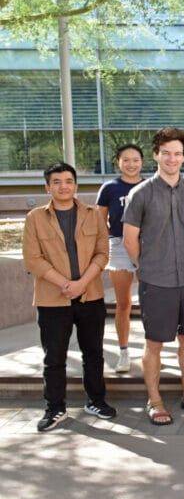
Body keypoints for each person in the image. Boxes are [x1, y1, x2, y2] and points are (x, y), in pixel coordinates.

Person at [123, 128, 184, 426]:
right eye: (166, 153)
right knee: (154, 343)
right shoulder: (141, 193)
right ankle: (155, 400)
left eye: (177, 153)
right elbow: (130, 239)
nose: (172, 159)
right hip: (156, 280)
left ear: (183, 157)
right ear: (156, 155)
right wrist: (145, 265)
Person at [24, 162, 114, 432]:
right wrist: (65, 283)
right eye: (56, 181)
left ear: (75, 184)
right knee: (54, 357)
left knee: (94, 353)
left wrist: (83, 282)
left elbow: (102, 252)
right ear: (47, 186)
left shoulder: (92, 214)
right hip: (52, 299)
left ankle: (96, 401)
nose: (63, 186)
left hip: (90, 296)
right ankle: (55, 407)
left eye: (68, 181)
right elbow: (32, 259)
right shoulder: (35, 218)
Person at [96, 143, 144, 373]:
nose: (131, 164)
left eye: (135, 159)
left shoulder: (149, 186)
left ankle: (151, 349)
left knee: (152, 302)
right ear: (118, 162)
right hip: (119, 245)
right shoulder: (109, 188)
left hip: (148, 246)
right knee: (123, 303)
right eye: (126, 159)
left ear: (142, 162)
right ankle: (124, 351)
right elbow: (98, 221)